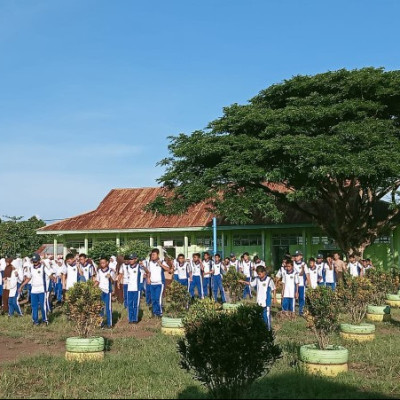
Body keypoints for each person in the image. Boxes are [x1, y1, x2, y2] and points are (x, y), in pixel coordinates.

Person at [19, 253, 54, 326]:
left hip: (42, 290)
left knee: (42, 306)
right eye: (33, 261)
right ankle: (35, 321)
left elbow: (50, 275)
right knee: (34, 306)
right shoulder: (31, 268)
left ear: (39, 260)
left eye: (36, 261)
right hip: (34, 290)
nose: (35, 263)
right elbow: (28, 278)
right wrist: (22, 286)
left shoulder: (43, 267)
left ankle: (45, 320)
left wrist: (53, 282)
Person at [243, 265, 275, 329]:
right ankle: (262, 329)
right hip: (259, 300)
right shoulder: (257, 279)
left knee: (266, 316)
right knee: (260, 316)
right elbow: (251, 283)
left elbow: (274, 289)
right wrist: (243, 281)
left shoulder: (269, 280)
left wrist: (274, 298)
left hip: (266, 302)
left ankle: (268, 330)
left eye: (260, 274)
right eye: (258, 274)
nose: (259, 275)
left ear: (264, 272)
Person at [119, 253, 142, 324]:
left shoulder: (139, 267)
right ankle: (130, 319)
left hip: (136, 289)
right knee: (129, 304)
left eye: (132, 259)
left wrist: (144, 267)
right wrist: (119, 281)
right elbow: (121, 274)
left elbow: (147, 272)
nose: (130, 260)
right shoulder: (126, 267)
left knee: (135, 304)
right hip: (129, 288)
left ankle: (135, 319)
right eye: (130, 259)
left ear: (136, 259)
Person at [147, 249, 171, 317]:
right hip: (152, 283)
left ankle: (159, 313)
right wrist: (148, 278)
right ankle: (154, 313)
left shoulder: (162, 262)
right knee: (153, 299)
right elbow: (149, 272)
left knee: (158, 298)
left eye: (154, 254)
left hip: (160, 283)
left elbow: (168, 269)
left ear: (158, 255)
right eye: (152, 255)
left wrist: (161, 265)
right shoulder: (150, 263)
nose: (152, 256)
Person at [95, 256, 116, 329]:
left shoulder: (111, 271)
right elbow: (97, 281)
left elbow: (113, 281)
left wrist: (110, 277)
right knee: (100, 308)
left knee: (108, 308)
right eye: (101, 263)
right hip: (100, 291)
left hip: (107, 291)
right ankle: (100, 323)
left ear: (107, 262)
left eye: (104, 262)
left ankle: (109, 324)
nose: (102, 264)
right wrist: (92, 287)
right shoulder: (99, 271)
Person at [293, 250, 307, 316]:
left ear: (301, 256)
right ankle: (292, 311)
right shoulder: (292, 264)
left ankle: (301, 311)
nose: (296, 257)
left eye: (297, 256)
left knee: (301, 298)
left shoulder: (304, 264)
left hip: (301, 284)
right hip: (293, 284)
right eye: (295, 256)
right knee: (293, 297)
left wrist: (303, 269)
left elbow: (304, 274)